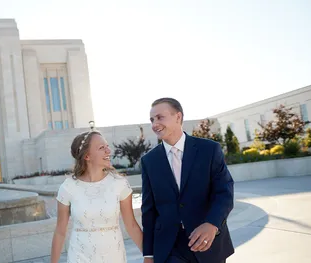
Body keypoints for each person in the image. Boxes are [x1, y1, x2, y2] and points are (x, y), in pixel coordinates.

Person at [141, 98, 235, 263]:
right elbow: (149, 211)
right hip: (170, 247)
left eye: (160, 117)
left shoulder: (209, 150)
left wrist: (212, 224)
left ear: (178, 117)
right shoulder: (149, 161)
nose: (155, 124)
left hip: (208, 242)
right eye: (152, 120)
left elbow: (224, 192)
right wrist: (148, 254)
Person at [51, 130, 143, 263]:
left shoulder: (119, 184)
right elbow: (60, 231)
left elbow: (132, 226)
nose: (108, 151)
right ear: (87, 156)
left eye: (107, 146)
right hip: (79, 257)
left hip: (113, 257)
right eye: (101, 148)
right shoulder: (68, 187)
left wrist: (149, 256)